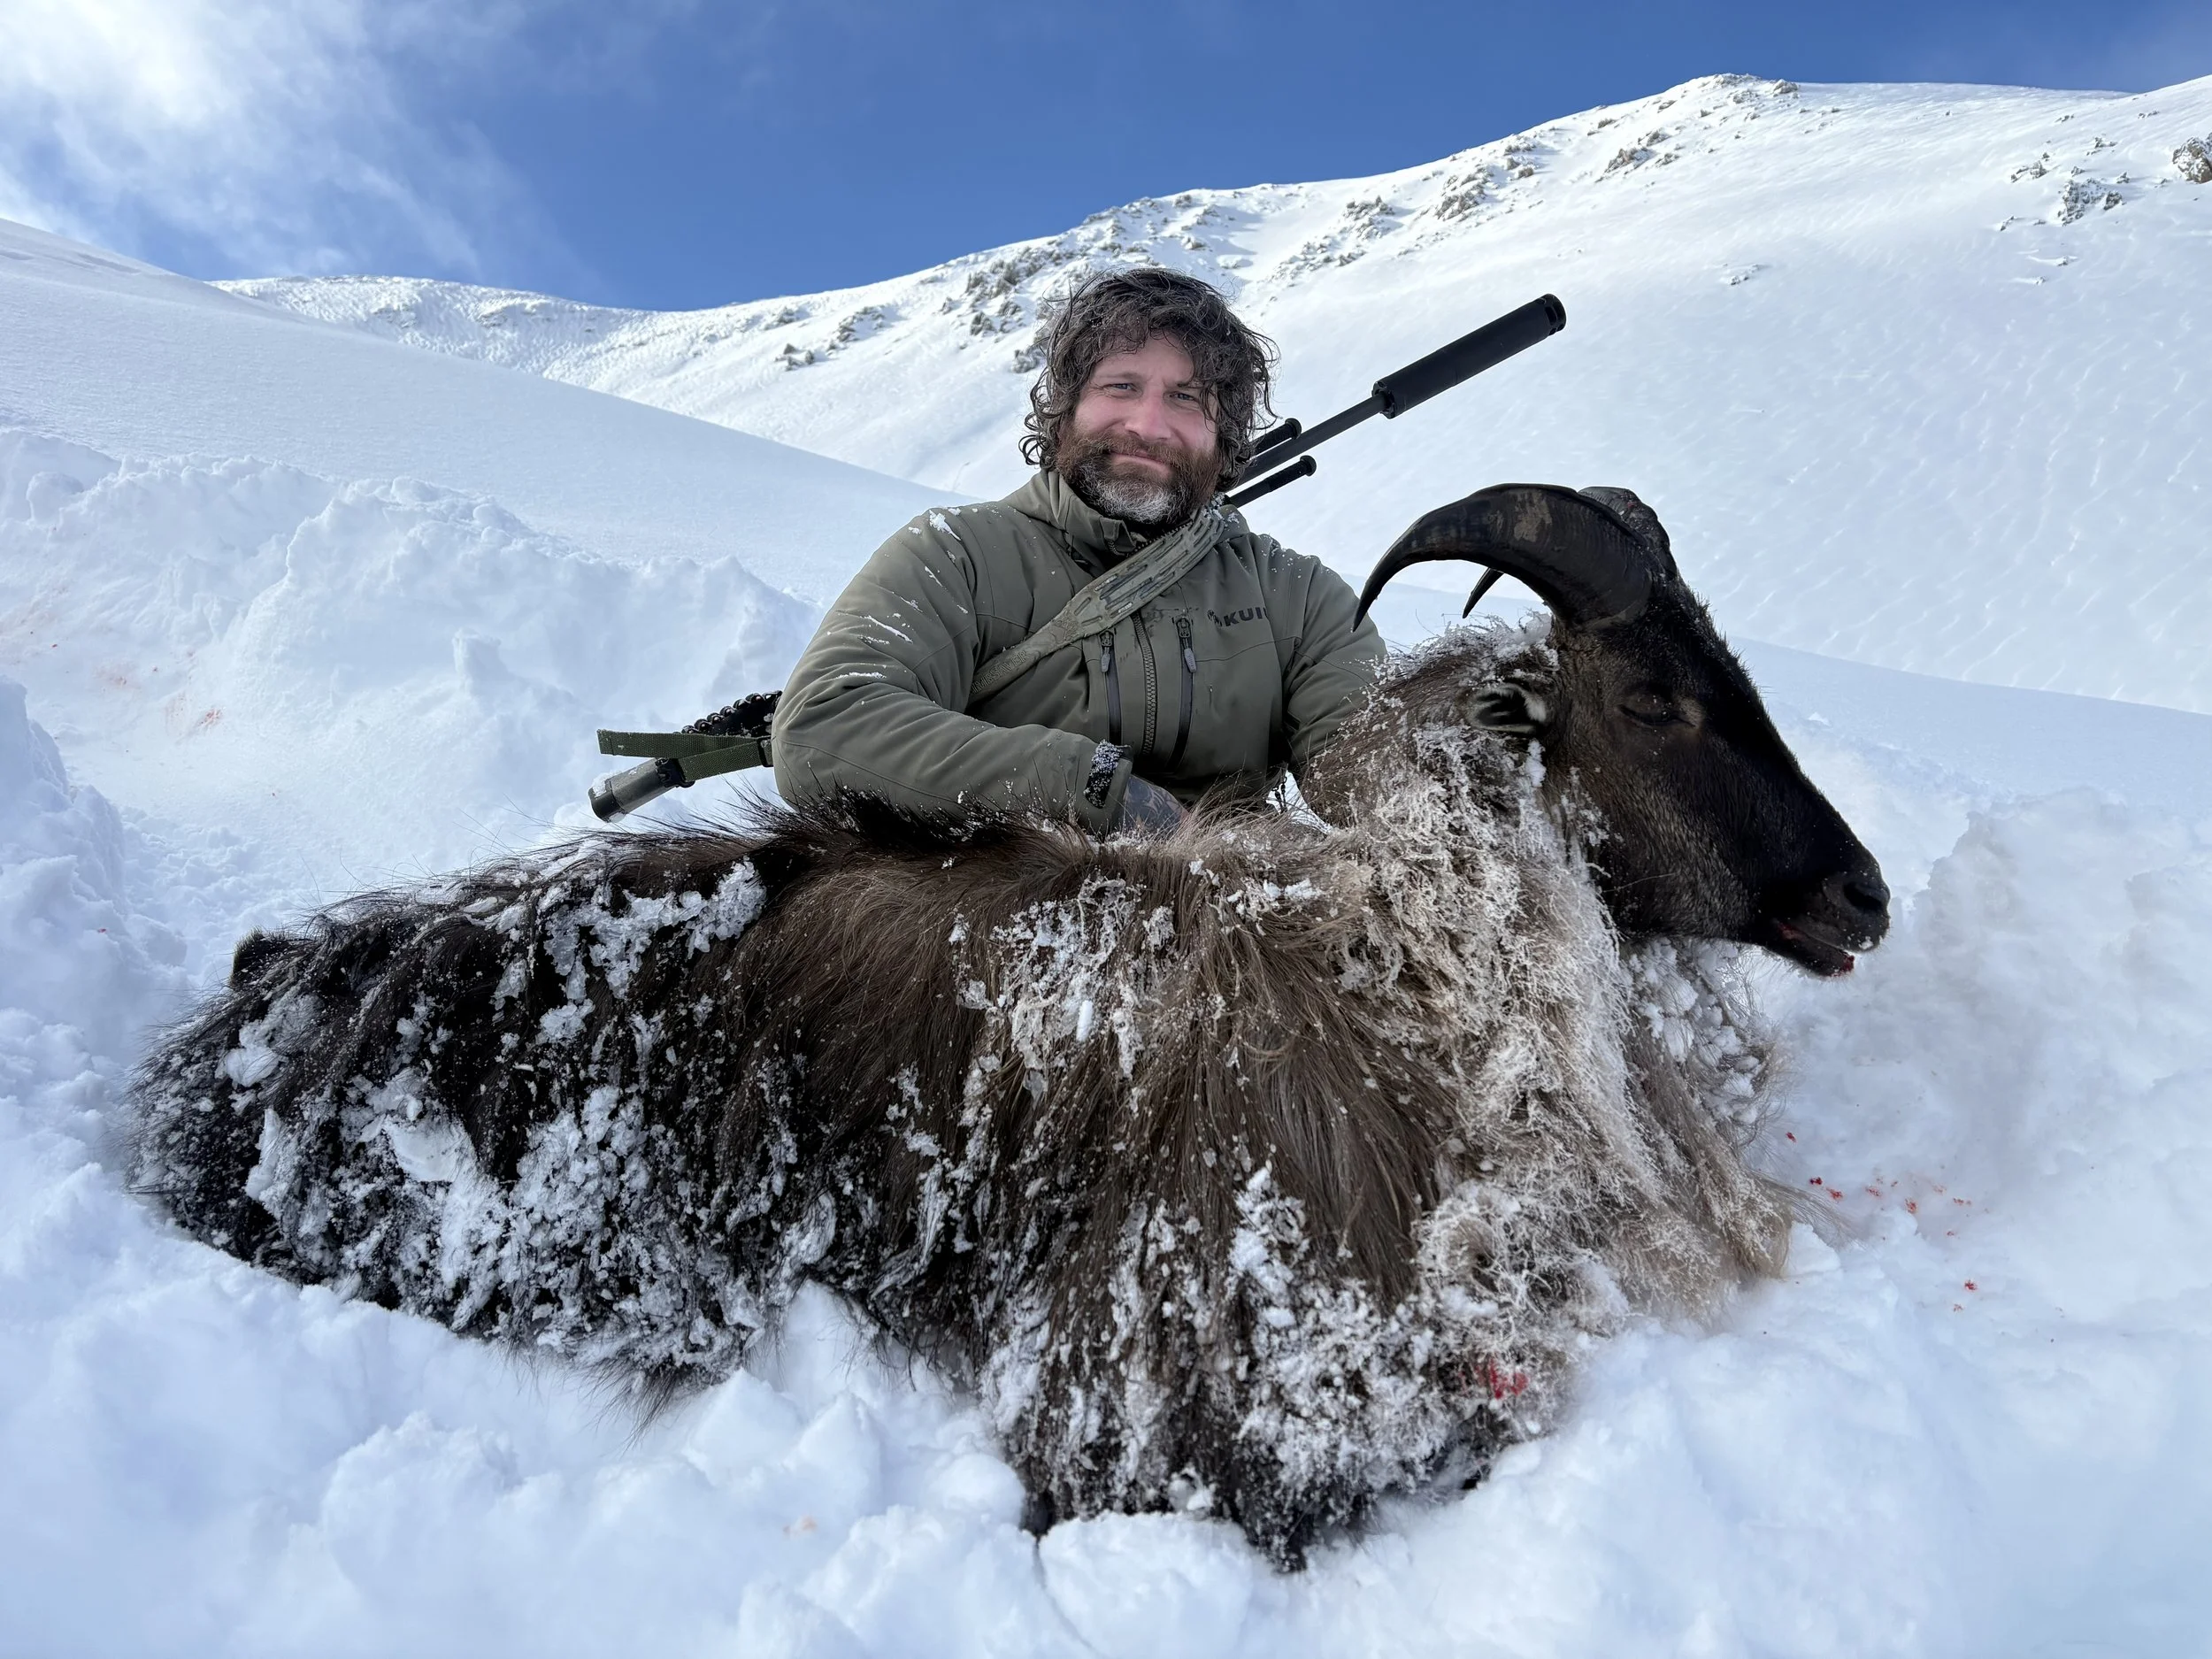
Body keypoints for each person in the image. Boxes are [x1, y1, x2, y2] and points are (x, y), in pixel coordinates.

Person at [771, 267, 1385, 834]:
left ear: (1222, 440)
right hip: (982, 924)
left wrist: (1451, 747)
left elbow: (1373, 766)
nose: (1147, 424)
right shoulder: (957, 555)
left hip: (1239, 931)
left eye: (1186, 397)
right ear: (1065, 412)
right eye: (1121, 386)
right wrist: (1097, 792)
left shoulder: (1298, 597)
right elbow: (826, 726)